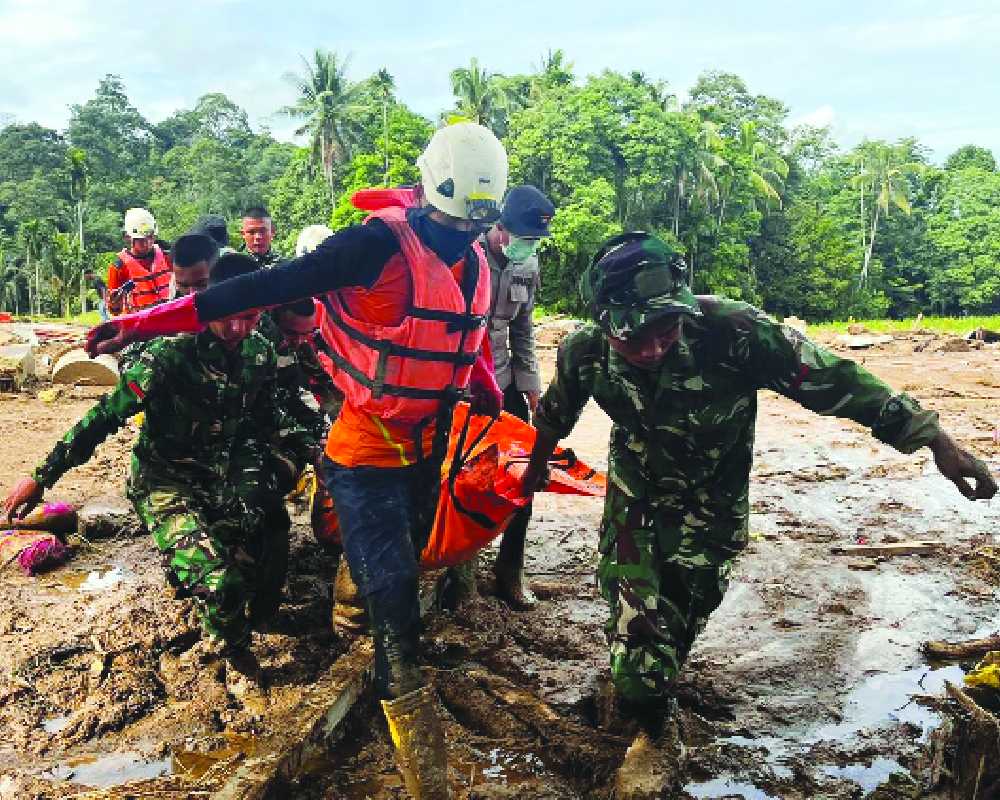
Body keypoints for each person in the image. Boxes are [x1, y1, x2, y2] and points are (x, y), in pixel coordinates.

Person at [86, 122, 509, 800]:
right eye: (455, 224)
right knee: (396, 602)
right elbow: (251, 290)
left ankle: (360, 610)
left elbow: (468, 330)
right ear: (431, 195)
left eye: (474, 228)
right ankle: (422, 763)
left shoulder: (478, 256)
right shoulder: (371, 246)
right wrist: (139, 325)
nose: (463, 237)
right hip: (365, 448)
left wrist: (486, 389)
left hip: (426, 442)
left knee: (413, 553)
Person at [517, 231, 998, 792]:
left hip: (712, 510)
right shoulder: (583, 350)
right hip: (636, 500)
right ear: (603, 322)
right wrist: (530, 471)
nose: (651, 349)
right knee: (638, 647)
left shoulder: (735, 333)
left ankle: (647, 681)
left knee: (674, 623)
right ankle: (651, 720)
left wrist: (932, 436)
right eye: (633, 338)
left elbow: (834, 381)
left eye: (664, 330)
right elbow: (556, 413)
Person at [4, 247, 318, 677]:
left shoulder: (257, 353)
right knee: (220, 583)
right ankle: (235, 648)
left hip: (218, 477)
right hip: (164, 481)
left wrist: (322, 454)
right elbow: (103, 418)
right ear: (209, 304)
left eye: (249, 317)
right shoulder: (170, 356)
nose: (237, 327)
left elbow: (267, 419)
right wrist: (41, 477)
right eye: (229, 314)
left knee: (258, 541)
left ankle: (216, 602)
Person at [480, 184, 554, 608]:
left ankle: (509, 572)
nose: (529, 246)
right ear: (501, 229)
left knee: (523, 477)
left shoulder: (528, 264)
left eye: (534, 241)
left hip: (505, 381)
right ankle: (457, 572)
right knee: (460, 477)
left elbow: (523, 329)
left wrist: (531, 390)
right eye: (524, 238)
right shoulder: (466, 257)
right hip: (465, 388)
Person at [106, 208, 172, 314]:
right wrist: (115, 303)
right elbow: (114, 311)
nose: (147, 243)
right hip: (140, 326)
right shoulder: (118, 267)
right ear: (129, 238)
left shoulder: (166, 255)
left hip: (170, 320)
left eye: (150, 238)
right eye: (141, 240)